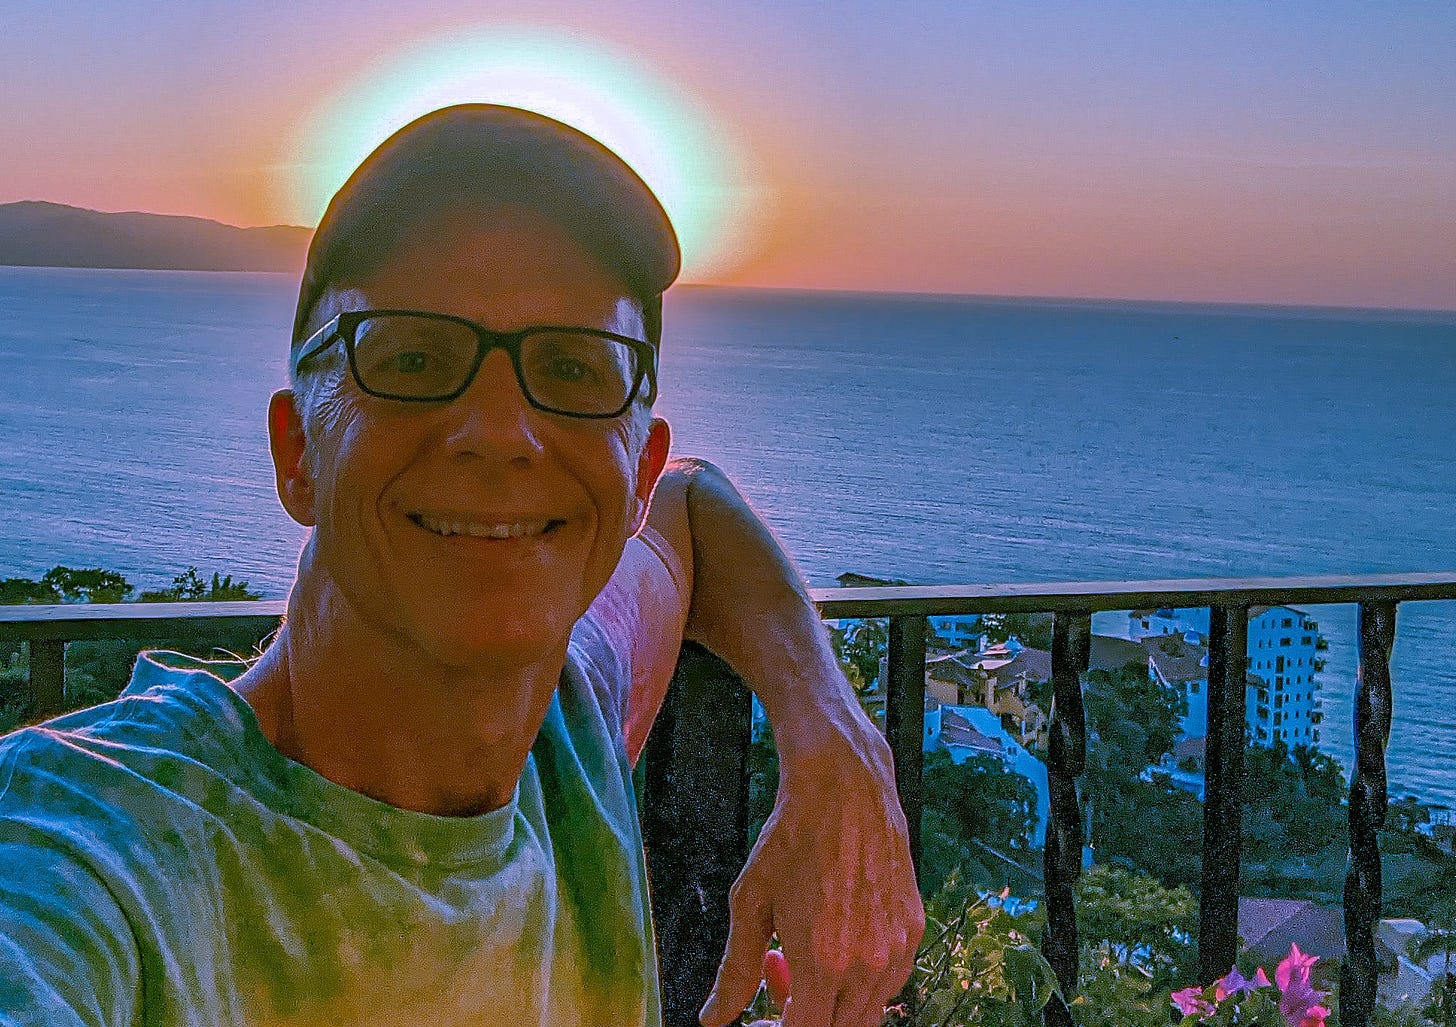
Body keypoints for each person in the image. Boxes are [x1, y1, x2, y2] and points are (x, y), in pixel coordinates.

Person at [0, 105, 922, 1026]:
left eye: (573, 369)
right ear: (296, 453)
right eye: (412, 356)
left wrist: (836, 739)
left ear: (632, 473)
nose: (499, 432)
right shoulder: (88, 851)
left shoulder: (575, 719)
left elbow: (694, 506)